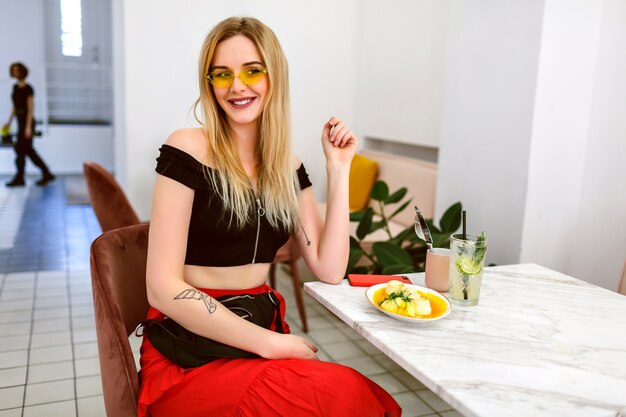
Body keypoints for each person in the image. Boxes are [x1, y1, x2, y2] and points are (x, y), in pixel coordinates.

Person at [138, 16, 402, 417]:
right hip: (190, 350)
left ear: (273, 76)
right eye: (222, 74)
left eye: (252, 70)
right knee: (343, 396)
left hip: (258, 332)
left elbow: (329, 269)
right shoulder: (186, 149)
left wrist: (338, 169)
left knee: (348, 397)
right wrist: (270, 344)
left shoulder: (287, 166)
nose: (237, 86)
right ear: (209, 84)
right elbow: (161, 288)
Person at [2, 62, 55, 187]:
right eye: (13, 70)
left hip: (28, 122)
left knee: (24, 151)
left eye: (17, 70)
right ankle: (42, 174)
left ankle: (25, 176)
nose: (15, 72)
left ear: (22, 72)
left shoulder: (28, 88)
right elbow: (14, 107)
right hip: (20, 121)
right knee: (25, 151)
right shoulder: (15, 88)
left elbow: (31, 109)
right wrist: (8, 122)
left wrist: (28, 127)